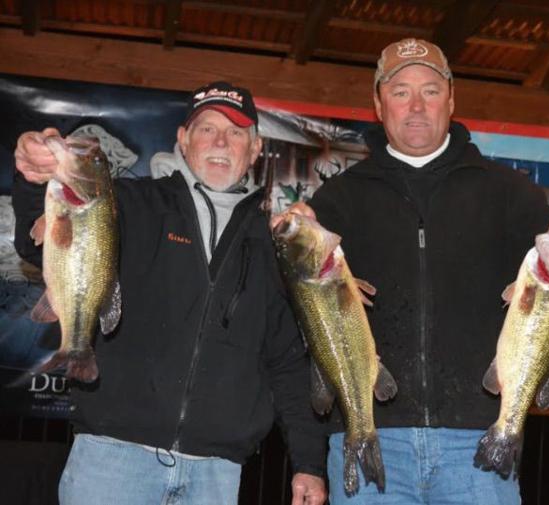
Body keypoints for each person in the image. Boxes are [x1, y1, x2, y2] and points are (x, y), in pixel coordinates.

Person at [13, 81, 327, 505]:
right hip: (111, 461)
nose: (221, 142)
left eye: (235, 133)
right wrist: (35, 178)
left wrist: (308, 462)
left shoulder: (274, 244)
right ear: (182, 139)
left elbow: (287, 362)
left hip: (217, 474)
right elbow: (40, 240)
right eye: (207, 129)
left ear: (254, 150)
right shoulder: (129, 201)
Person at [274, 39, 549, 504]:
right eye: (401, 91)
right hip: (371, 437)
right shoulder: (338, 199)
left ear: (451, 98)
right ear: (378, 104)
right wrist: (287, 239)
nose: (416, 105)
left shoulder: (509, 192)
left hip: (478, 444)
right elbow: (294, 315)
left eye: (430, 90)